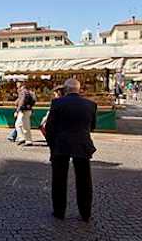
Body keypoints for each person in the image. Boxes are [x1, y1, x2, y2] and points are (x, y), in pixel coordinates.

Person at [45, 78, 96, 222]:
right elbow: (92, 127)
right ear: (79, 89)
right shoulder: (91, 104)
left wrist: (52, 146)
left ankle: (59, 211)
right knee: (84, 179)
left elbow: (49, 128)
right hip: (82, 143)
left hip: (61, 144)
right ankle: (85, 213)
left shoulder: (57, 103)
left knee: (59, 179)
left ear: (65, 90)